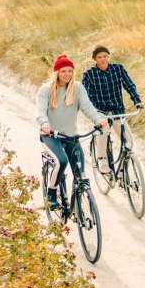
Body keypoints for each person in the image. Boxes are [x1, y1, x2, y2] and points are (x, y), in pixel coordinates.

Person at [36, 54, 107, 210]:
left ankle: (79, 203)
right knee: (62, 161)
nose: (67, 74)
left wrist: (98, 119)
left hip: (71, 137)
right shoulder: (46, 90)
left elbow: (87, 107)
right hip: (50, 136)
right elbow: (41, 112)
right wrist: (45, 124)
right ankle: (52, 194)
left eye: (70, 71)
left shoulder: (78, 88)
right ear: (57, 73)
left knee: (81, 174)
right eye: (63, 71)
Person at [82, 45, 143, 173]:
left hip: (117, 111)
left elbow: (129, 85)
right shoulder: (89, 74)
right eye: (99, 57)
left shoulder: (118, 69)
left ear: (108, 56)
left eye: (105, 56)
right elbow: (88, 95)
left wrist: (137, 100)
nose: (103, 59)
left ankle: (122, 168)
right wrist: (96, 114)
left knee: (128, 141)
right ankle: (102, 158)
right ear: (95, 59)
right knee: (103, 131)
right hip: (100, 112)